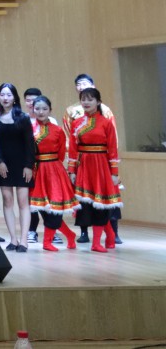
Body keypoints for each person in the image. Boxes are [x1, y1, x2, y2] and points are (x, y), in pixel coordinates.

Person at [63, 74, 118, 244]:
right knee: (86, 204)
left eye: (90, 99)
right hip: (84, 165)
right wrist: (72, 170)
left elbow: (112, 148)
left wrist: (114, 172)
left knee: (101, 202)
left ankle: (105, 238)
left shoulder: (106, 122)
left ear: (98, 102)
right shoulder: (76, 122)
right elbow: (73, 148)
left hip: (101, 164)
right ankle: (97, 237)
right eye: (83, 100)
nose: (86, 103)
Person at [28, 95, 78, 252]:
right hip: (36, 171)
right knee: (44, 209)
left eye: (44, 109)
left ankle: (47, 242)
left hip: (54, 171)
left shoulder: (58, 130)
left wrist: (52, 165)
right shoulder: (29, 129)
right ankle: (69, 235)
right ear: (32, 110)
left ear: (50, 110)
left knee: (55, 208)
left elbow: (61, 153)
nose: (41, 112)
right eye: (37, 109)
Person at [0, 83, 36, 251]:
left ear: (15, 98)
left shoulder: (23, 118)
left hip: (22, 165)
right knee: (7, 200)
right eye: (2, 95)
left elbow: (30, 143)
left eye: (9, 95)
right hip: (3, 165)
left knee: (23, 201)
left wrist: (28, 165)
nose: (5, 98)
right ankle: (13, 239)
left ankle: (24, 240)